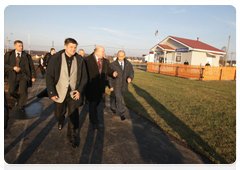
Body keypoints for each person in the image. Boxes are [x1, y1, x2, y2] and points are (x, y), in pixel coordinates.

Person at [46, 38, 87, 148]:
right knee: (58, 114)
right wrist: (51, 92)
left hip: (73, 93)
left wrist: (79, 90)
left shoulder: (80, 59)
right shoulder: (56, 58)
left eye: (75, 47)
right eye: (71, 47)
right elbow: (49, 76)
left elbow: (84, 77)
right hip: (59, 92)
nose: (74, 49)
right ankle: (60, 121)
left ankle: (72, 136)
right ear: (65, 47)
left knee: (73, 116)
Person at [84, 46, 118, 130]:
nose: (104, 54)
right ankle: (94, 122)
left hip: (101, 88)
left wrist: (113, 73)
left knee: (96, 103)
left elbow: (109, 70)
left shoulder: (106, 61)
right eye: (102, 52)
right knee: (92, 104)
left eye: (104, 52)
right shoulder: (87, 60)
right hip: (91, 87)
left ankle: (94, 117)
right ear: (96, 52)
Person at [4, 40, 36, 112]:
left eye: (22, 46)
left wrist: (33, 76)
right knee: (11, 91)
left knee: (24, 91)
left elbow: (31, 66)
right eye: (19, 46)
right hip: (13, 75)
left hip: (23, 75)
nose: (21, 47)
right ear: (15, 46)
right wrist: (13, 67)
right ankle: (18, 98)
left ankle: (21, 106)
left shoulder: (27, 56)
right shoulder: (9, 54)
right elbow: (4, 64)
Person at [108, 50, 134, 121]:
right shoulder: (112, 64)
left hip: (124, 85)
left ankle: (113, 107)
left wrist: (130, 78)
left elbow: (131, 72)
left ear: (124, 56)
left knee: (117, 98)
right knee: (119, 99)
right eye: (119, 56)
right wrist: (110, 85)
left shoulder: (128, 64)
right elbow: (109, 76)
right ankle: (122, 113)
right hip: (116, 85)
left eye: (122, 56)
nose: (120, 57)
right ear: (117, 55)